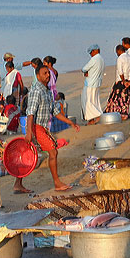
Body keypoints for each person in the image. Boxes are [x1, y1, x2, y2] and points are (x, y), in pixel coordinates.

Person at [25, 65, 79, 193]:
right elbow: (30, 113)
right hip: (36, 127)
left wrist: (70, 122)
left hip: (43, 127)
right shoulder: (36, 91)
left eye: (48, 73)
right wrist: (29, 132)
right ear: (38, 76)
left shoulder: (48, 91)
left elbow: (56, 112)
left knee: (31, 155)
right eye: (44, 73)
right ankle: (57, 183)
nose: (48, 76)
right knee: (53, 152)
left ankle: (18, 183)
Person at [105, 45, 130, 119]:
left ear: (119, 51)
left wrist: (123, 81)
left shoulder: (120, 58)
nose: (117, 54)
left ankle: (116, 114)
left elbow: (120, 72)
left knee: (116, 98)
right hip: (128, 82)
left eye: (117, 52)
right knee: (125, 99)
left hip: (120, 81)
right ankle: (124, 114)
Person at [81, 44, 105, 124]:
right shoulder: (101, 59)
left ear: (95, 51)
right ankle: (96, 117)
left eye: (91, 52)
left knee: (87, 101)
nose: (90, 54)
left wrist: (85, 72)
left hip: (90, 83)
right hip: (97, 83)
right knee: (95, 101)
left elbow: (84, 68)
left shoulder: (94, 59)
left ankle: (94, 117)